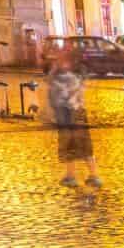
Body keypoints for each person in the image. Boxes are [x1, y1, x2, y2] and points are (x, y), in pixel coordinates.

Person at [45, 49, 97, 192]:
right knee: (85, 145)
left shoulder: (62, 77)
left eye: (60, 59)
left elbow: (56, 93)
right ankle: (93, 175)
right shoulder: (79, 75)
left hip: (67, 114)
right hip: (79, 112)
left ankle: (71, 176)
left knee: (69, 145)